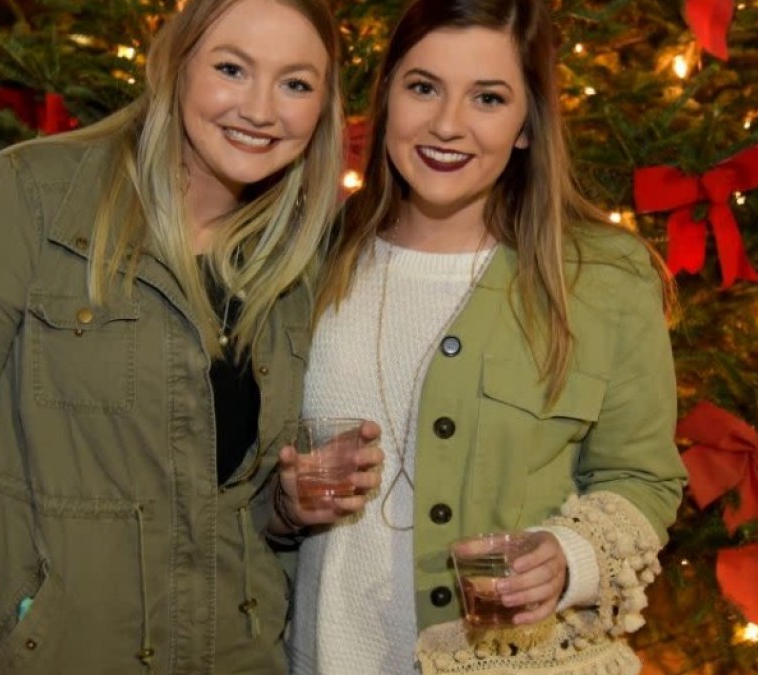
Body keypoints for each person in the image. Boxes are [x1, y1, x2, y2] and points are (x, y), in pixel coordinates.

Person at [0, 1, 382, 673]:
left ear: (323, 107)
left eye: (296, 83)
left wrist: (286, 505)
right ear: (174, 65)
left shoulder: (296, 261)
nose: (261, 108)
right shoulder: (26, 200)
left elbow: (221, 497)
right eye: (232, 68)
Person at [288, 0, 689, 672]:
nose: (448, 125)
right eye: (423, 88)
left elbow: (641, 476)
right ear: (386, 98)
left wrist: (569, 556)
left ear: (527, 124)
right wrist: (286, 497)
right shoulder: (308, 257)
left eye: (489, 98)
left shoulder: (601, 278)